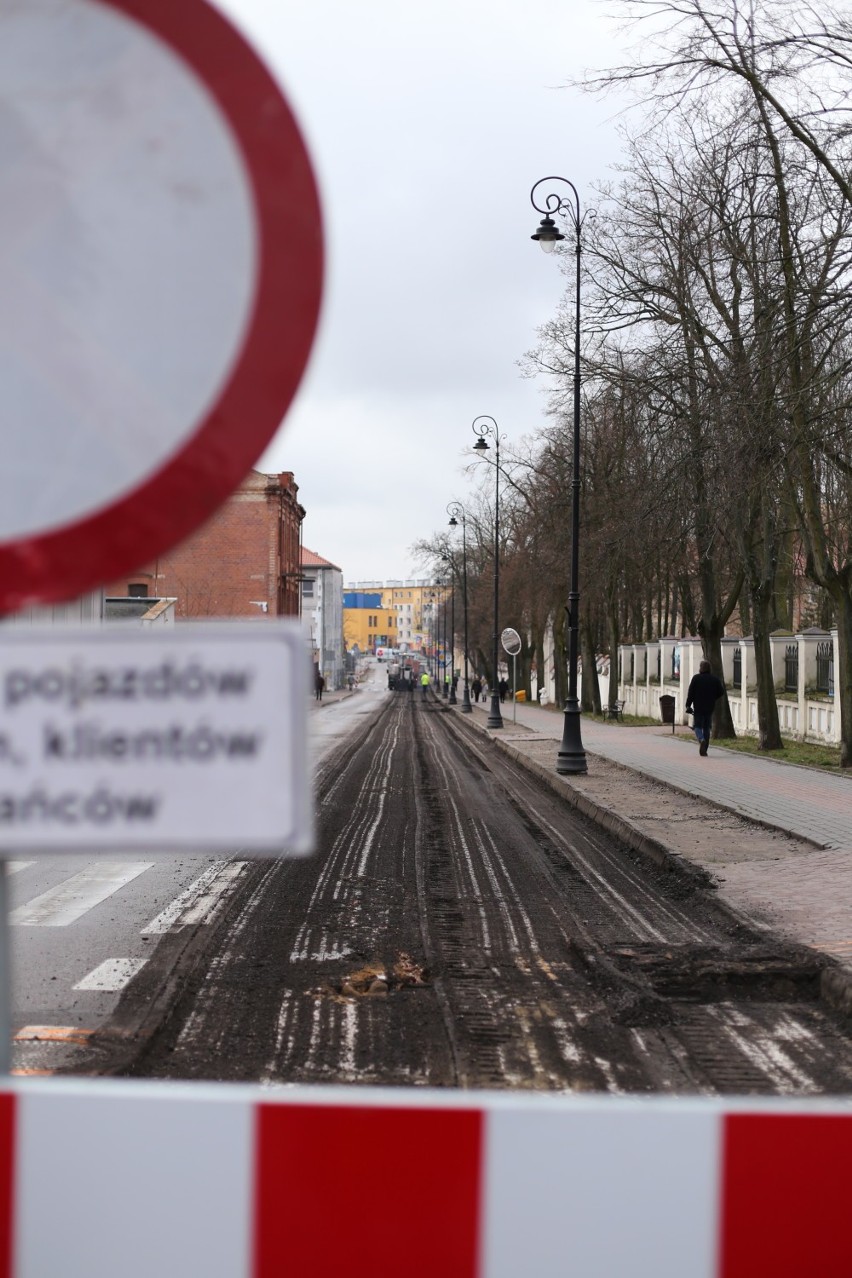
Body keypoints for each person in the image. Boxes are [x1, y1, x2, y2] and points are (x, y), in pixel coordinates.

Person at [685, 659, 725, 756]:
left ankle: (701, 739)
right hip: (709, 706)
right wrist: (713, 697)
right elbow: (721, 692)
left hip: (698, 706)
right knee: (707, 727)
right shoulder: (714, 679)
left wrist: (688, 705)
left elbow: (691, 693)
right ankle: (705, 749)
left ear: (700, 668)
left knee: (697, 726)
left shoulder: (696, 678)